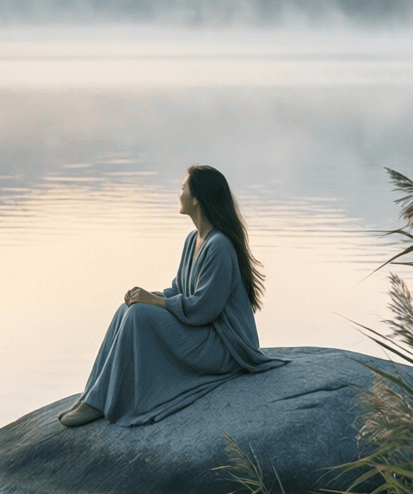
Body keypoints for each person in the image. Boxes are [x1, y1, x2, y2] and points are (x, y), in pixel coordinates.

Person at [59, 164, 288, 428]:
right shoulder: (194, 239)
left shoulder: (220, 245)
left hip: (225, 345)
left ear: (196, 198)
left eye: (182, 188)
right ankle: (94, 396)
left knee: (139, 315)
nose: (178, 193)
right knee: (127, 309)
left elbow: (204, 310)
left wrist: (155, 302)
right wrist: (148, 295)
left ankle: (101, 403)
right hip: (204, 332)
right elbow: (180, 290)